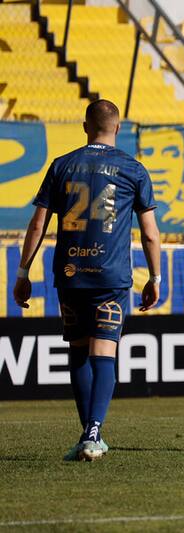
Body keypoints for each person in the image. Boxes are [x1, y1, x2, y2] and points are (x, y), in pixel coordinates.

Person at [13, 99, 161, 462]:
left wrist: (22, 272)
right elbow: (150, 234)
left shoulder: (62, 165)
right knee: (104, 352)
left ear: (85, 127)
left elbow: (37, 224)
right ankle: (93, 434)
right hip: (110, 276)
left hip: (70, 274)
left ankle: (87, 435)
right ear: (118, 127)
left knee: (78, 350)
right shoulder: (133, 169)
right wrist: (155, 277)